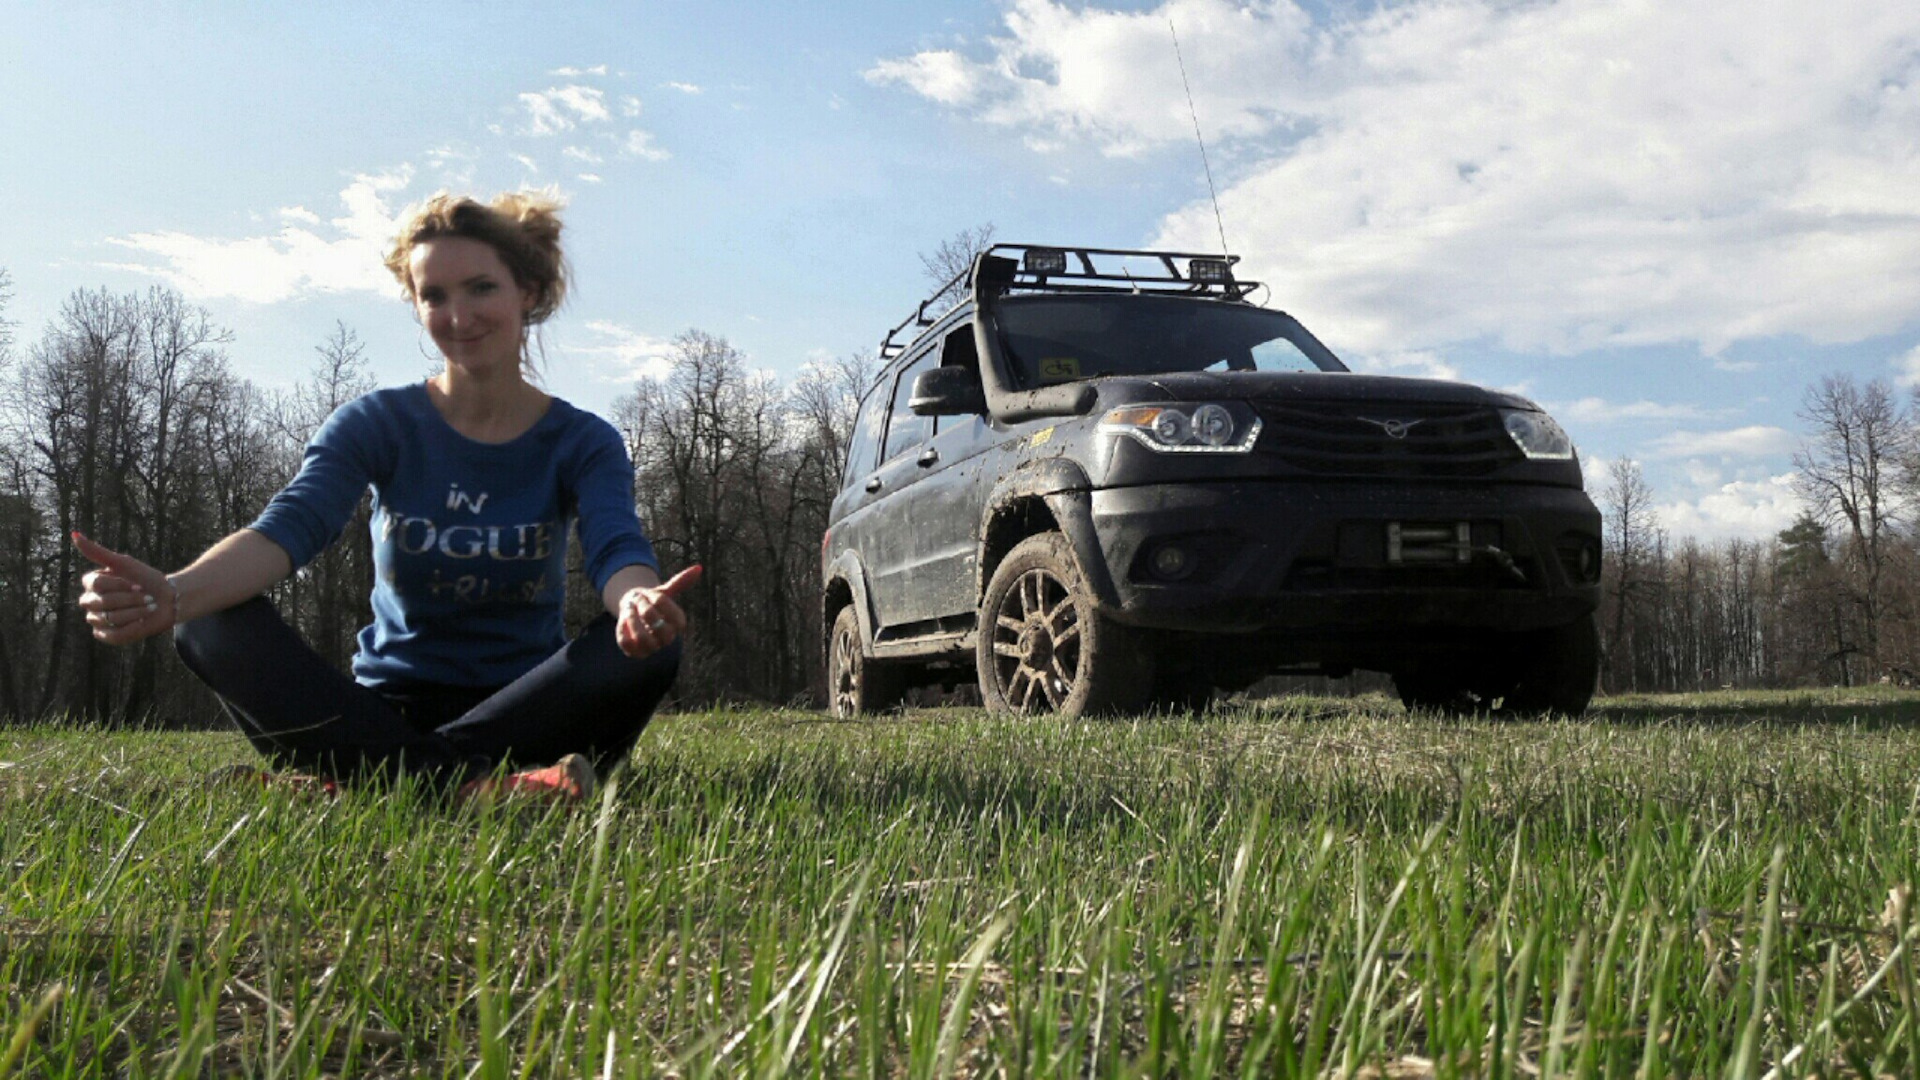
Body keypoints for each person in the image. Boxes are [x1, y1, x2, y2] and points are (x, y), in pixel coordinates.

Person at [72, 191, 693, 802]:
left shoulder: (582, 439)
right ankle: (472, 785)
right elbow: (290, 526)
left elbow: (616, 545)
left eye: (481, 288)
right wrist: (172, 593)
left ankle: (363, 782)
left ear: (526, 292)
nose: (458, 315)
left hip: (527, 706)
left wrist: (638, 599)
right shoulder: (378, 423)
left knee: (647, 648)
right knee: (207, 618)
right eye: (434, 296)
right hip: (376, 711)